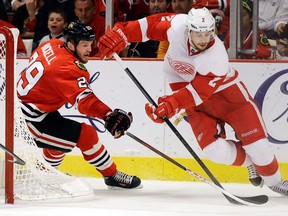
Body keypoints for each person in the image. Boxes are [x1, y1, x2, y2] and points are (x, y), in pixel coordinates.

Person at [97, 7, 288, 195]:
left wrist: (170, 105)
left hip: (229, 97)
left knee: (260, 149)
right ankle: (251, 161)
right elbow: (149, 26)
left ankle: (276, 181)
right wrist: (121, 33)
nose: (204, 40)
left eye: (208, 34)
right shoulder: (177, 26)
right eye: (199, 34)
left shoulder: (216, 57)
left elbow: (197, 92)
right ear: (189, 31)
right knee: (214, 151)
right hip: (189, 95)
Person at [16, 20, 142, 189]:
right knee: (85, 135)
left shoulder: (51, 44)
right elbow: (85, 101)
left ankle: (46, 172)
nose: (89, 50)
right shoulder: (67, 67)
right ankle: (112, 176)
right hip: (30, 121)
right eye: (84, 45)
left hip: (27, 109)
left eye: (90, 44)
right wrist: (108, 115)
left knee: (63, 136)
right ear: (70, 44)